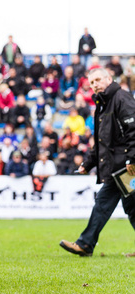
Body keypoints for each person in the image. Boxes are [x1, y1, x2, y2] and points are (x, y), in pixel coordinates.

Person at [60, 68, 135, 257]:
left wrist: (132, 158)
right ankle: (85, 244)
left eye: (98, 80)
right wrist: (88, 163)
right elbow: (102, 141)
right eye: (91, 83)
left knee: (106, 204)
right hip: (118, 167)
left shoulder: (121, 98)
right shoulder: (103, 104)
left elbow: (133, 129)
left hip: (126, 167)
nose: (94, 85)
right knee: (130, 207)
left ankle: (85, 244)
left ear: (109, 79)